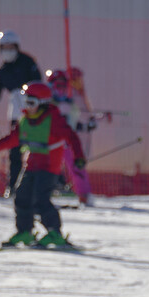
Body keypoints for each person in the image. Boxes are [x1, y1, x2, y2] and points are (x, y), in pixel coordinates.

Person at [0, 81, 85, 248]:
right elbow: (10, 140)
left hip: (49, 168)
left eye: (31, 103)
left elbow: (72, 137)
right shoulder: (26, 120)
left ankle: (55, 233)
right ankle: (25, 232)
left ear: (42, 104)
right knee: (21, 197)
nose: (28, 107)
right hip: (30, 166)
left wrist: (79, 157)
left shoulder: (54, 121)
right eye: (26, 102)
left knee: (41, 200)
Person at [0, 30, 42, 196]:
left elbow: (38, 83)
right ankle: (14, 184)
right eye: (4, 47)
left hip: (33, 107)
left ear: (17, 46)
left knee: (38, 145)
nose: (8, 51)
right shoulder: (1, 70)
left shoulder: (28, 62)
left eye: (11, 47)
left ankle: (50, 182)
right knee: (15, 147)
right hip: (15, 110)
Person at [46, 69, 93, 205]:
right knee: (46, 167)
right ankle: (42, 194)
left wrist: (88, 124)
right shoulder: (47, 102)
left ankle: (84, 195)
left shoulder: (72, 101)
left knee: (77, 166)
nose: (60, 88)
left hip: (67, 141)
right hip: (50, 142)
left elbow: (79, 120)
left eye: (63, 84)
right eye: (57, 84)